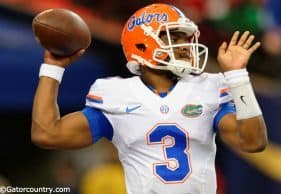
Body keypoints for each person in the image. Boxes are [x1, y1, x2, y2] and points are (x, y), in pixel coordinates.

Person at [31, 3, 268, 194]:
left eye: (186, 38)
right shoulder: (115, 95)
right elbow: (47, 133)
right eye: (174, 38)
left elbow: (253, 142)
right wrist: (52, 68)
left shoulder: (206, 88)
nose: (186, 46)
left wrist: (238, 78)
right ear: (142, 44)